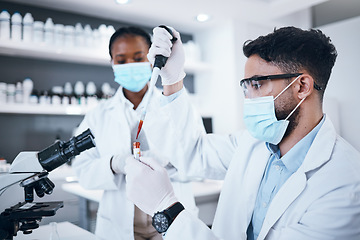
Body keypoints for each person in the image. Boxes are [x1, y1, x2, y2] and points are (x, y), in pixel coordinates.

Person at [124, 26, 360, 240]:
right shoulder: (253, 143)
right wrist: (173, 79)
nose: (248, 98)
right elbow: (195, 153)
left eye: (256, 84)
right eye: (245, 86)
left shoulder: (346, 183)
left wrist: (168, 210)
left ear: (302, 86)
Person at [72, 26, 204, 240]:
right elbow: (82, 169)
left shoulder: (175, 104)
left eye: (138, 57)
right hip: (121, 223)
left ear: (151, 57)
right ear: (112, 63)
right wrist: (114, 163)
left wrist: (168, 162)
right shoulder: (98, 115)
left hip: (171, 217)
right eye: (122, 60)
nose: (130, 65)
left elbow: (199, 157)